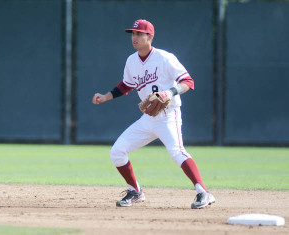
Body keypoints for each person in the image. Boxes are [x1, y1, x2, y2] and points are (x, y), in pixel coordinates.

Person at [92, 19, 215, 209]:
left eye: (139, 34)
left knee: (177, 152)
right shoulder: (131, 61)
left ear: (150, 36)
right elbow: (126, 85)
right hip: (148, 118)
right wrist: (105, 96)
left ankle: (203, 192)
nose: (135, 37)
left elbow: (188, 81)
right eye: (133, 34)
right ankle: (135, 191)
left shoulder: (165, 58)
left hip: (168, 115)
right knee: (117, 152)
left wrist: (169, 92)